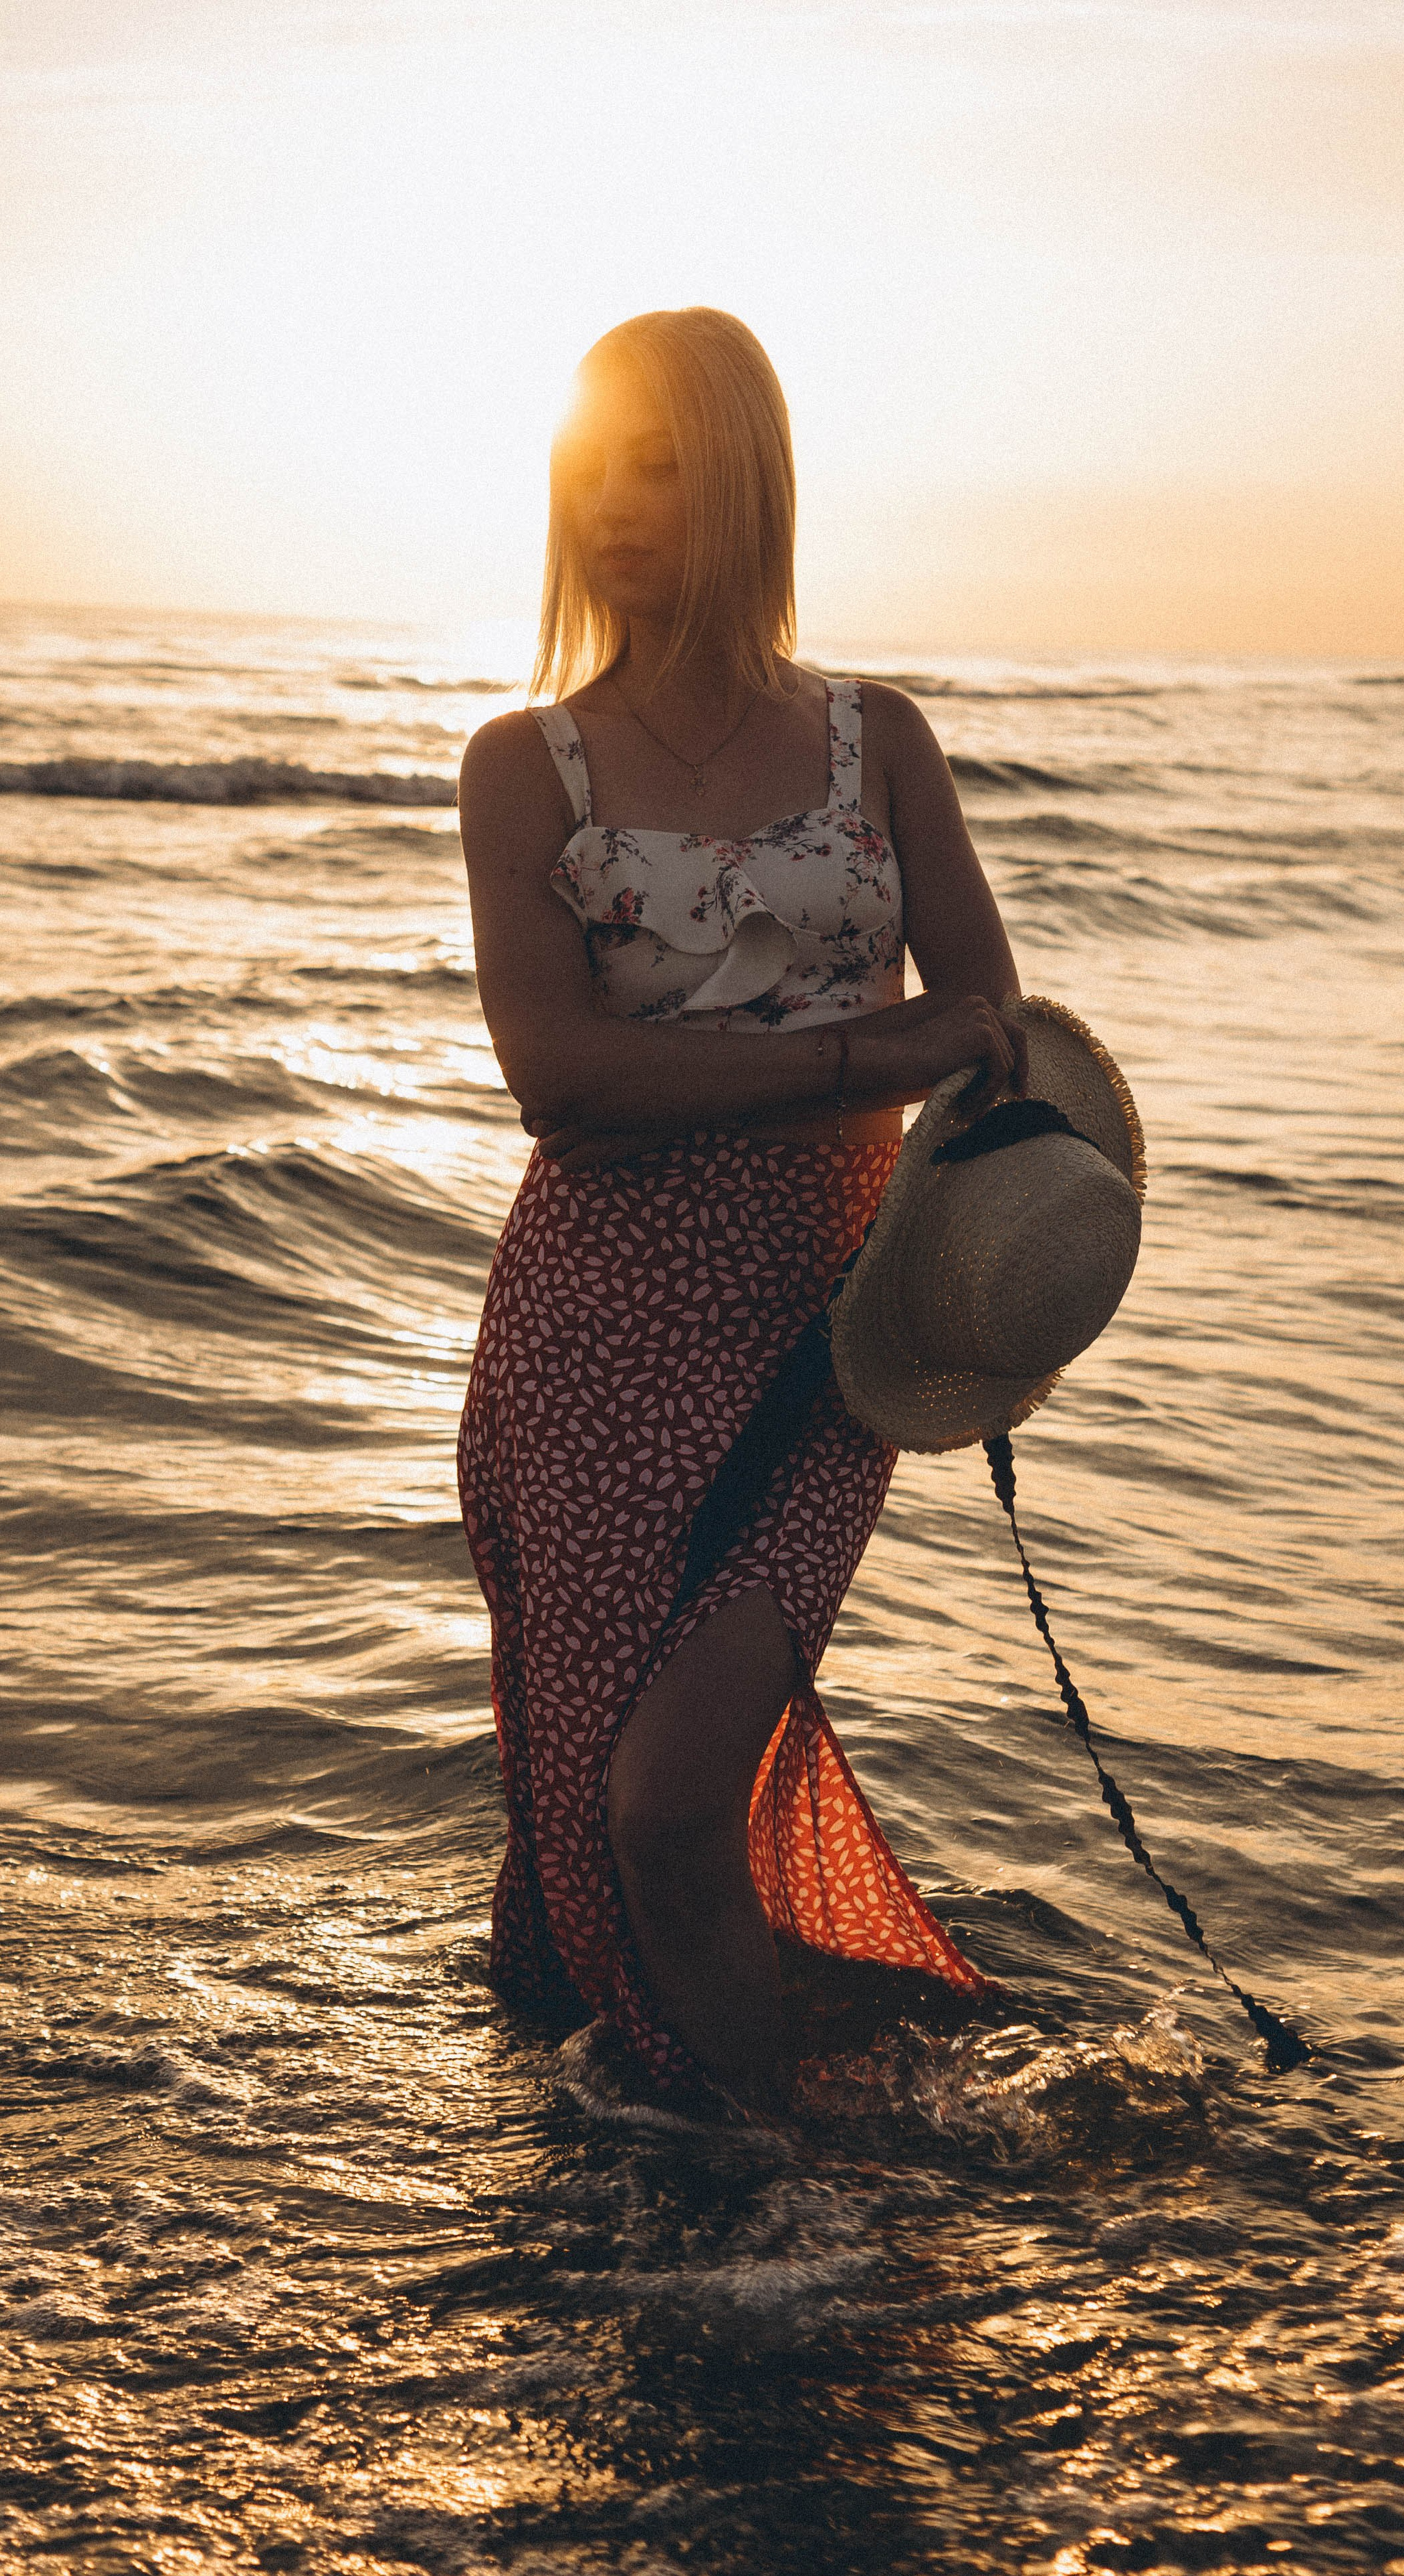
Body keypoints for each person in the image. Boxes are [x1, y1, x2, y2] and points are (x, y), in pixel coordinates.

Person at [457, 306, 1028, 2111]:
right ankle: (635, 2179)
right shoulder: (522, 764)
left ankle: (762, 2201)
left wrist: (999, 1255)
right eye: (593, 467)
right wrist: (862, 1056)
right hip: (591, 1338)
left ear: (749, 479)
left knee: (666, 1793)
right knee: (592, 1800)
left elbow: (995, 1037)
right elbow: (563, 1080)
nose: (620, 504)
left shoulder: (881, 744)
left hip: (823, 1343)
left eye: (665, 462)